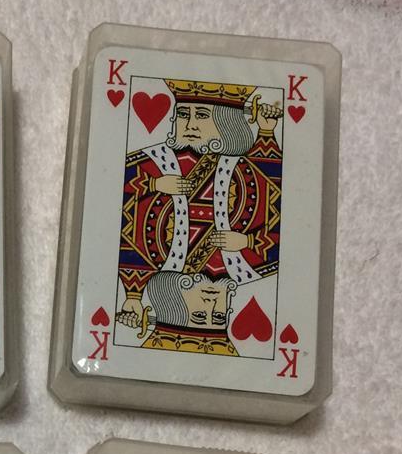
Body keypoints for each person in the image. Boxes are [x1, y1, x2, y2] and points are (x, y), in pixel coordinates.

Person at [117, 78, 282, 343]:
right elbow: (111, 186)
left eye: (202, 115)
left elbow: (286, 209)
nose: (190, 125)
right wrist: (247, 242)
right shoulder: (156, 161)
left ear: (227, 123)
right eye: (184, 114)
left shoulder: (243, 168)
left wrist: (133, 298)